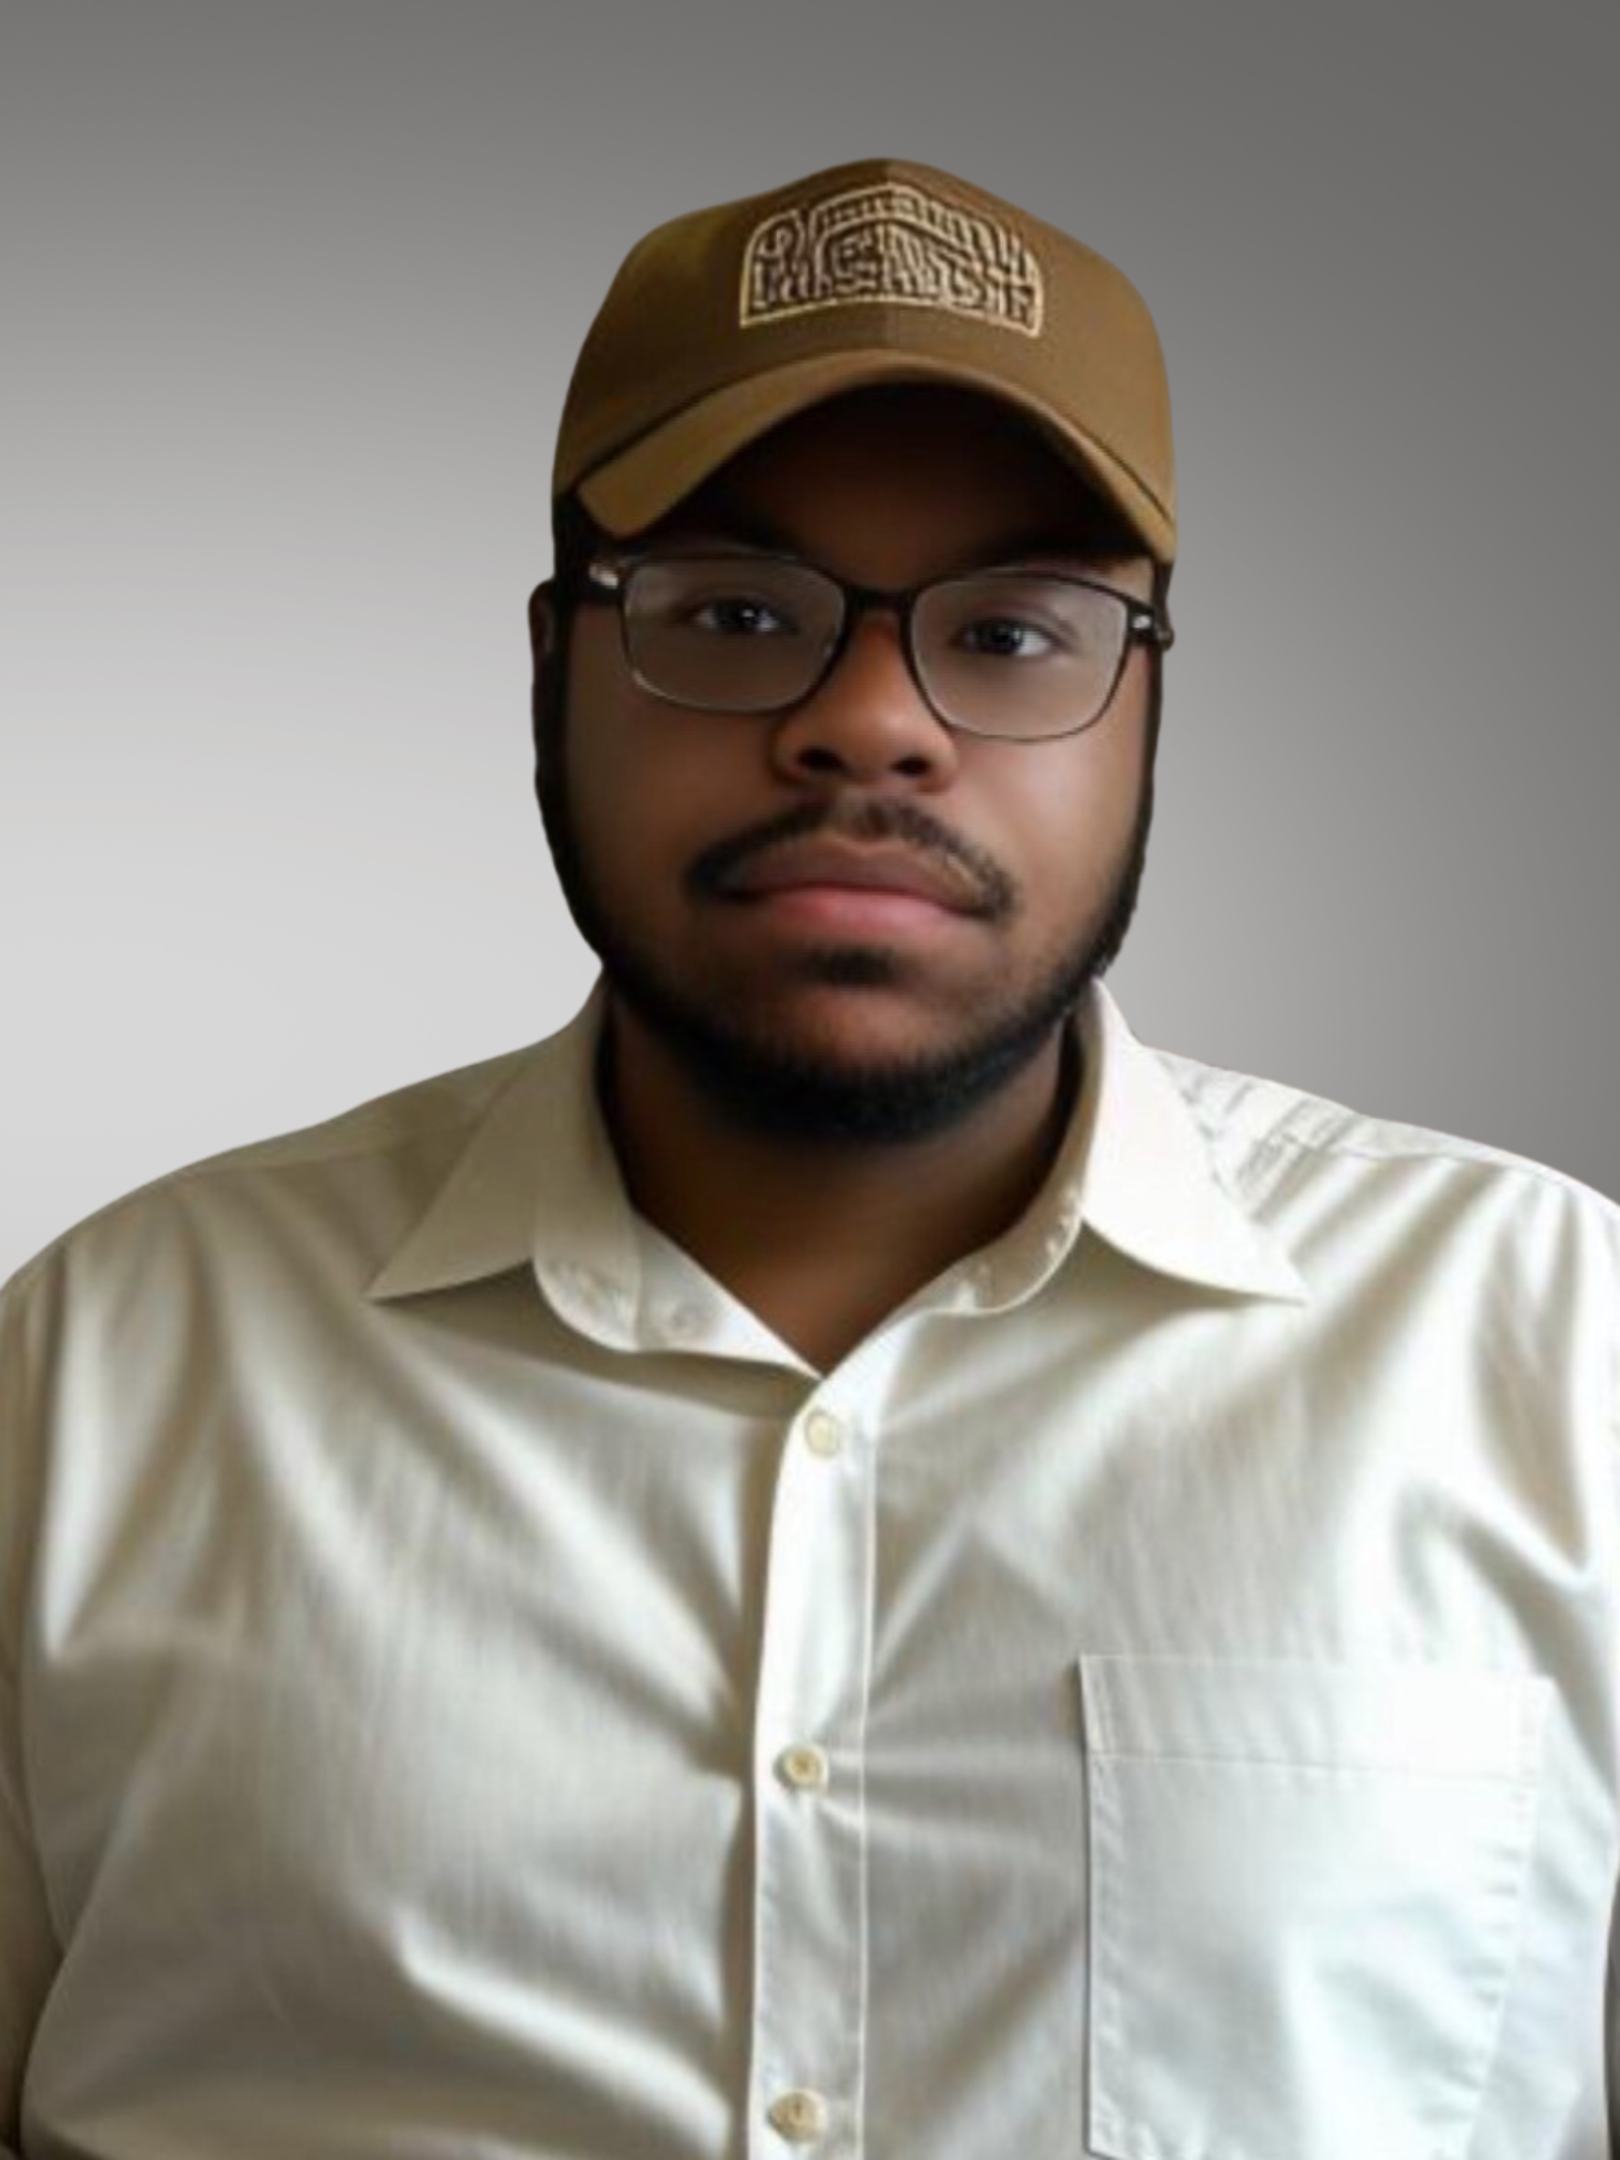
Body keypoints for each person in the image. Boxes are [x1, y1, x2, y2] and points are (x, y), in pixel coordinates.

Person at [0, 154, 1614, 2160]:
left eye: (1014, 632)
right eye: (738, 611)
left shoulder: (1557, 1360)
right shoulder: (97, 1374)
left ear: (1148, 711)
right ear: (549, 672)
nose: (870, 723)